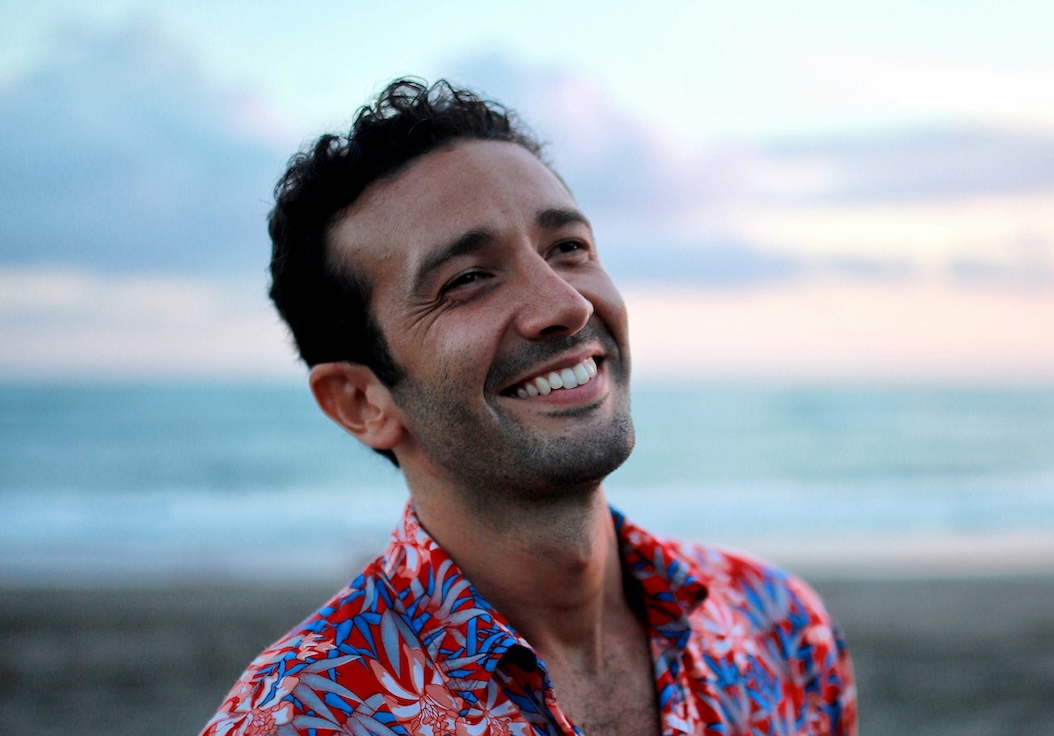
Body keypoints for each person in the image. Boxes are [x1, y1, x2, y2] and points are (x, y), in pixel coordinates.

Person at [202, 77, 856, 736]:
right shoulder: (301, 719)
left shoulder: (778, 628)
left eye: (568, 248)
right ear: (361, 401)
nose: (567, 304)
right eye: (468, 279)